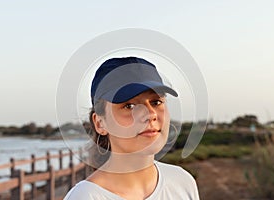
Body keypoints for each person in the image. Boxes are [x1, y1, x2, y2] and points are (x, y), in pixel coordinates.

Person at [64, 57, 200, 200]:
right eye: (129, 106)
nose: (151, 114)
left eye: (156, 102)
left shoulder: (182, 182)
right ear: (100, 123)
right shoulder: (85, 197)